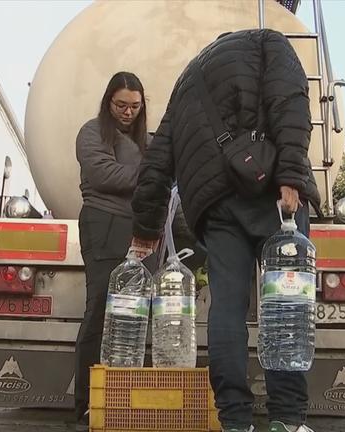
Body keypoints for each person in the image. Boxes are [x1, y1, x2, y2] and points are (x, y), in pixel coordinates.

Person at [130, 29, 320, 432]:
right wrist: (291, 176)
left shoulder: (187, 81)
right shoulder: (268, 42)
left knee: (227, 309)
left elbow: (158, 159)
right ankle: (287, 419)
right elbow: (290, 101)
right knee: (287, 305)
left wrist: (146, 227)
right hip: (272, 193)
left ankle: (235, 420)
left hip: (217, 206)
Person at [73, 71, 150, 431]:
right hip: (102, 224)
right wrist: (151, 176)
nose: (127, 112)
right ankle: (86, 405)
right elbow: (104, 174)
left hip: (136, 230)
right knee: (99, 310)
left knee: (130, 317)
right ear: (109, 102)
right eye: (121, 105)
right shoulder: (92, 132)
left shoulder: (144, 141)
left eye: (134, 106)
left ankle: (120, 399)